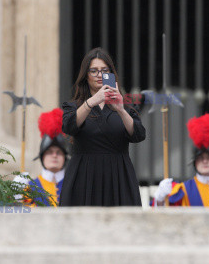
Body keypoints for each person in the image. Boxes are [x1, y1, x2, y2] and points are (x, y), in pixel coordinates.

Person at [59, 47, 146, 206]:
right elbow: (69, 127)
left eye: (104, 70)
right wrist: (92, 101)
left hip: (118, 174)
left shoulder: (126, 106)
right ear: (86, 75)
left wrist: (120, 109)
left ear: (111, 74)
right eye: (94, 71)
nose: (99, 75)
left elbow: (138, 135)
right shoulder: (74, 106)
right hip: (84, 174)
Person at [14, 108, 72, 207]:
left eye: (58, 152)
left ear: (65, 157)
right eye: (49, 152)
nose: (54, 155)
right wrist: (16, 197)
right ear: (42, 157)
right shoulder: (29, 187)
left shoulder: (73, 185)